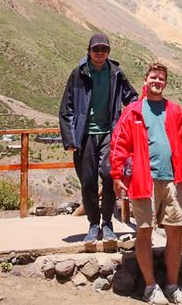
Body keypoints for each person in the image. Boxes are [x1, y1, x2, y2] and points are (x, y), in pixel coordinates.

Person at [110, 62, 182, 305]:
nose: (157, 81)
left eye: (161, 79)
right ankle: (149, 287)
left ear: (165, 83)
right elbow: (119, 145)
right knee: (144, 231)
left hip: (171, 180)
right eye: (153, 77)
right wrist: (117, 176)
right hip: (142, 180)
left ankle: (173, 285)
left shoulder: (174, 110)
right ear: (145, 80)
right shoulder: (133, 111)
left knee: (175, 230)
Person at [59, 33, 138, 245]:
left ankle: (108, 224)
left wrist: (135, 117)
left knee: (110, 176)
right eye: (96, 49)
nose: (100, 53)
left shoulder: (116, 73)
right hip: (84, 136)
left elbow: (131, 98)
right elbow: (66, 109)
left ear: (109, 52)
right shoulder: (79, 74)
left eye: (104, 49)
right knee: (87, 181)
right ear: (89, 51)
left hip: (110, 134)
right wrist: (70, 138)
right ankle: (93, 224)